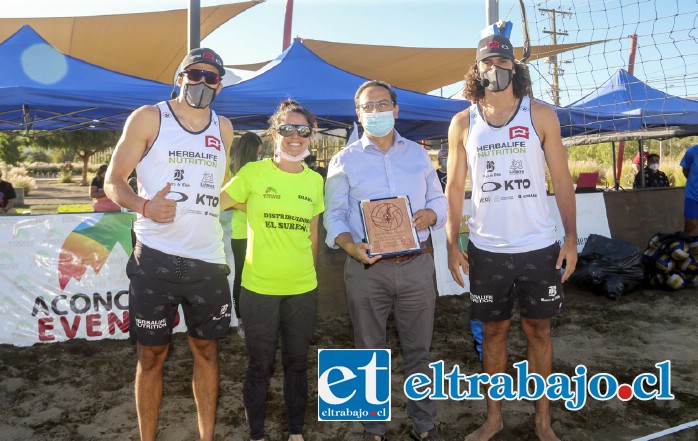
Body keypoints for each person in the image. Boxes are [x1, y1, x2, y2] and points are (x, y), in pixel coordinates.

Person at [445, 34, 577, 441]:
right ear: (477, 70)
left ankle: (542, 420)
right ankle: (494, 418)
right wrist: (453, 244)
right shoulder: (463, 121)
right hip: (487, 249)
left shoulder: (540, 114)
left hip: (539, 247)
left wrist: (571, 238)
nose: (495, 69)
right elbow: (453, 186)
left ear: (515, 67)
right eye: (487, 63)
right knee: (494, 333)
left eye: (502, 61)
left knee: (539, 331)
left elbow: (562, 179)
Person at [104, 47, 233, 441]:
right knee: (151, 355)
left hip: (208, 262)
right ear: (180, 77)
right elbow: (113, 181)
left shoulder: (224, 127)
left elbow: (216, 190)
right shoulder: (148, 117)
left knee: (207, 353)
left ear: (220, 85)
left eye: (211, 77)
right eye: (194, 74)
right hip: (155, 260)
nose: (202, 83)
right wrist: (144, 205)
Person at [324, 80, 447, 441]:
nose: (375, 112)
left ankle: (424, 426)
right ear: (358, 115)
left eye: (382, 105)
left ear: (396, 109)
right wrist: (348, 246)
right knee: (366, 351)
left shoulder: (418, 154)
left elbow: (440, 200)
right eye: (367, 107)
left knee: (419, 351)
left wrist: (429, 214)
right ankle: (373, 430)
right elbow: (334, 215)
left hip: (417, 265)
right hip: (367, 269)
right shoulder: (342, 160)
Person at [220, 100, 324, 441]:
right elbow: (216, 200)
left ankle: (296, 433)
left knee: (297, 365)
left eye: (303, 130)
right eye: (287, 129)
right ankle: (256, 435)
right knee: (259, 367)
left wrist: (308, 276)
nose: (295, 136)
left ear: (312, 135)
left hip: (302, 290)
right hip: (258, 290)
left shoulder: (314, 182)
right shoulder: (252, 173)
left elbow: (312, 234)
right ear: (273, 134)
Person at [229, 131, 264, 339]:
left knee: (259, 277)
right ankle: (241, 321)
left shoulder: (261, 173)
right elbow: (229, 201)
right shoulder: (236, 174)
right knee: (241, 277)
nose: (261, 157)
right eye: (258, 153)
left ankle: (257, 319)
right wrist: (255, 207)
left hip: (261, 233)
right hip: (242, 234)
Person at [681, 144, 698, 236]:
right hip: (693, 194)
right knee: (690, 225)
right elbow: (685, 170)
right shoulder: (692, 152)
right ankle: (686, 249)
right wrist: (693, 183)